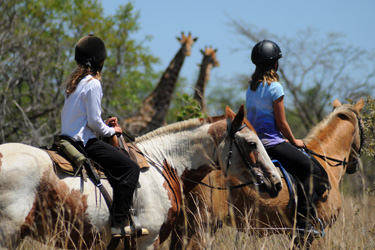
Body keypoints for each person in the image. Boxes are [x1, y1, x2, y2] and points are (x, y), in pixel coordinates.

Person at [61, 34, 140, 236]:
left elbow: (87, 121)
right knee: (131, 168)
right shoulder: (93, 84)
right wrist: (113, 130)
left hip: (67, 139)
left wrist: (103, 126)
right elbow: (94, 122)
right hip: (84, 144)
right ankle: (120, 222)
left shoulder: (73, 84)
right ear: (100, 61)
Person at [246, 40, 326, 236]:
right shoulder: (275, 87)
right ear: (275, 64)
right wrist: (294, 141)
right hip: (273, 144)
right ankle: (304, 223)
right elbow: (282, 124)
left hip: (256, 145)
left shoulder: (251, 89)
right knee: (312, 170)